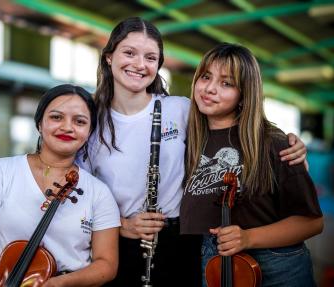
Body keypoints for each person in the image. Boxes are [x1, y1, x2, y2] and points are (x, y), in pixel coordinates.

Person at [78, 17, 308, 287]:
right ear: (108, 57)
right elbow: (80, 196)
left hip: (184, 239)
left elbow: (235, 129)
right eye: (129, 53)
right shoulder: (88, 120)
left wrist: (289, 144)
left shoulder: (181, 109)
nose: (140, 64)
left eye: (151, 57)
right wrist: (124, 225)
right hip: (119, 239)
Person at [180, 43, 323, 287]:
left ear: (244, 93)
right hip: (214, 263)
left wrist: (248, 237)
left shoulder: (274, 143)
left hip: (278, 267)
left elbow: (312, 222)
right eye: (205, 77)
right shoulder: (187, 140)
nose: (210, 89)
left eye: (226, 83)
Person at [0, 84, 120, 287]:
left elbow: (106, 265)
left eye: (79, 121)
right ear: (39, 124)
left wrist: (60, 283)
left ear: (89, 132)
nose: (67, 127)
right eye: (56, 117)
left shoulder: (99, 193)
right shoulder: (1, 171)